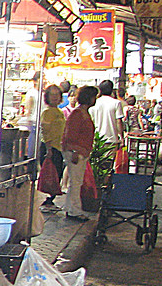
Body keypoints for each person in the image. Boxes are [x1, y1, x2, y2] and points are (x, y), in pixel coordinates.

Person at [61, 86, 98, 221]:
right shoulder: (78, 114)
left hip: (80, 151)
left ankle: (71, 208)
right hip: (76, 151)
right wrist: (75, 151)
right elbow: (70, 134)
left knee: (76, 182)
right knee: (76, 182)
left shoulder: (82, 112)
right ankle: (74, 210)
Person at [40, 84, 66, 206]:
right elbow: (45, 130)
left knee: (57, 174)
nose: (55, 97)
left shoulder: (59, 112)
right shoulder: (47, 112)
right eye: (52, 95)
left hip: (58, 147)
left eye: (57, 95)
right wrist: (48, 148)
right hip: (50, 148)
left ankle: (50, 199)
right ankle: (47, 199)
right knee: (51, 174)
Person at [89, 79, 124, 149]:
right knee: (110, 159)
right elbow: (118, 122)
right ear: (111, 90)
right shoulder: (116, 103)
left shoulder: (94, 103)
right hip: (112, 139)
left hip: (97, 139)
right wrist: (121, 137)